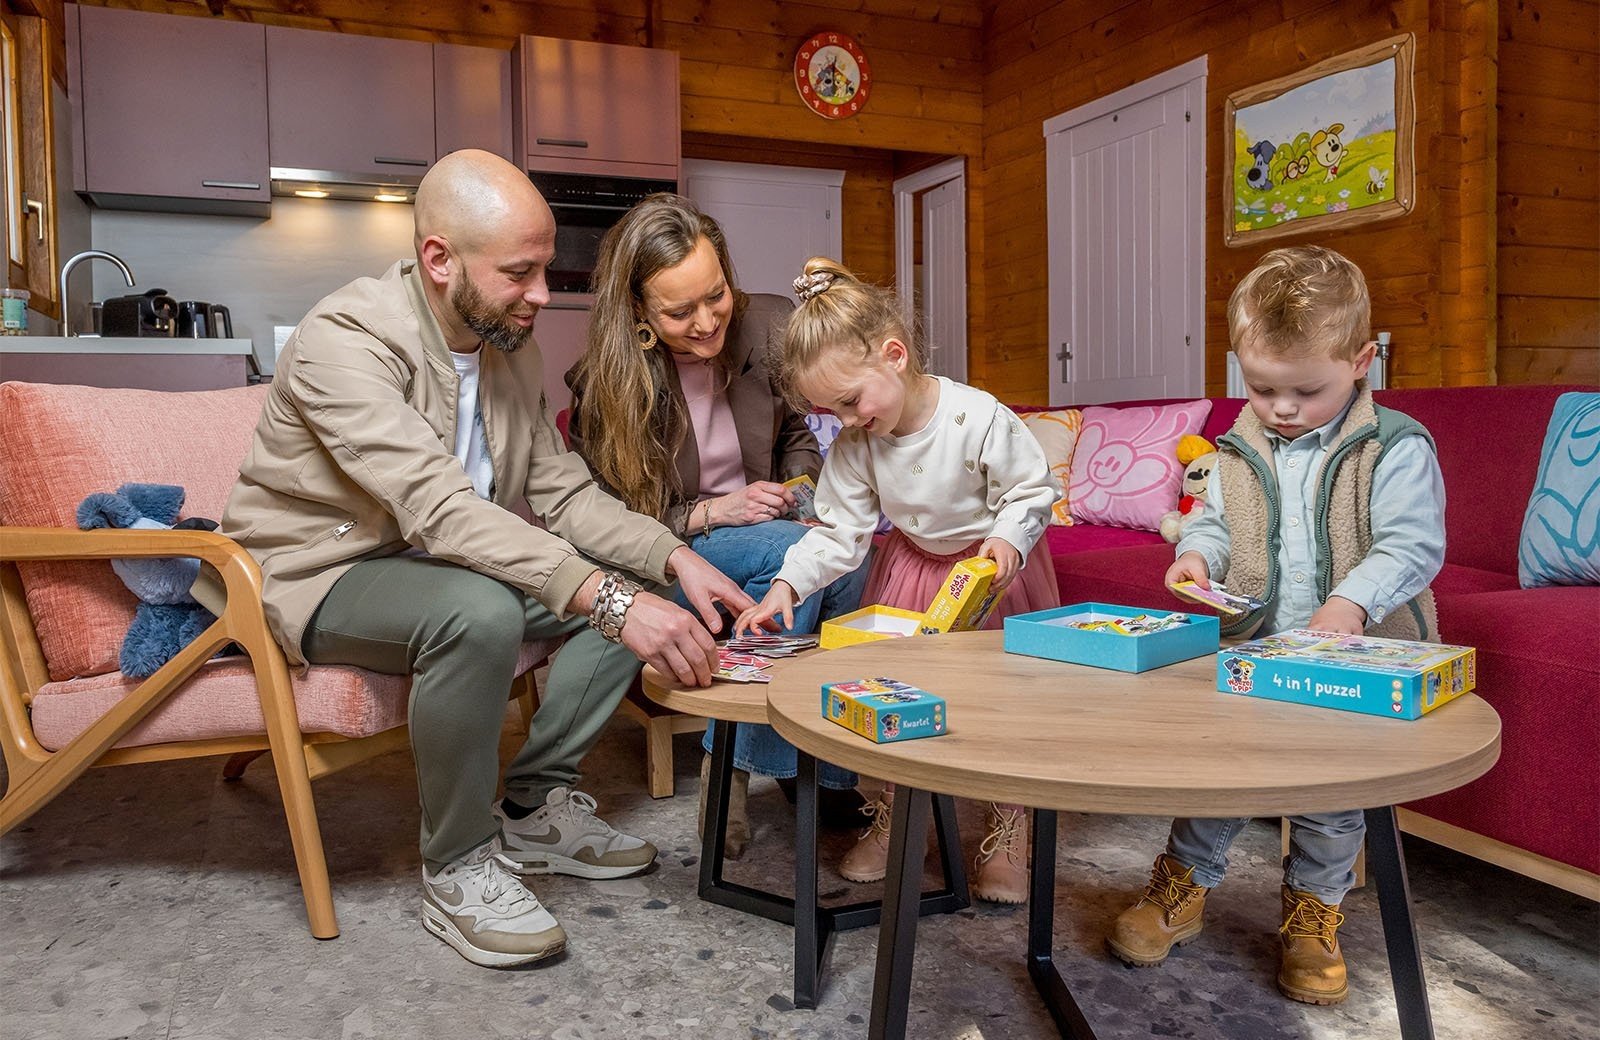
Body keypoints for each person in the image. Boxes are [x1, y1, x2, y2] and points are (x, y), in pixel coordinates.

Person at [214, 151, 755, 970]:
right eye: (521, 272)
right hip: (315, 576)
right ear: (439, 259)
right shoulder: (343, 340)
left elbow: (565, 494)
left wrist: (673, 557)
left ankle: (534, 806)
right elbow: (439, 510)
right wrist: (604, 600)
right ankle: (460, 865)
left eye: (545, 268)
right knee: (487, 610)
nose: (543, 294)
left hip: (437, 564)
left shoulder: (508, 349)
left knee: (639, 584)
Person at [1105, 245, 1446, 1006]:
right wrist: (1196, 555)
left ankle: (1312, 915)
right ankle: (1180, 888)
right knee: (1216, 771)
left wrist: (1350, 603)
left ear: (1361, 362)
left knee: (1329, 794)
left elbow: (1413, 545)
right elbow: (1217, 526)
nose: (1282, 408)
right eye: (1261, 389)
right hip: (1253, 649)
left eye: (1306, 390)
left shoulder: (1395, 445)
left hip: (1356, 655)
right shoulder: (1237, 446)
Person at [734, 257, 1061, 905]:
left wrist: (1005, 539)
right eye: (832, 411)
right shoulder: (858, 444)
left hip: (992, 572)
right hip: (911, 572)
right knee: (899, 698)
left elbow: (1032, 490)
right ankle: (896, 815)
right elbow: (836, 533)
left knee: (1003, 705)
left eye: (851, 401)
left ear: (893, 355)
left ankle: (1011, 824)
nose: (847, 420)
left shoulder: (979, 417)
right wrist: (786, 588)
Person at [566, 194, 870, 859]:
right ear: (639, 312)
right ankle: (737, 763)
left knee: (845, 552)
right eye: (679, 312)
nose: (707, 323)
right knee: (805, 553)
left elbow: (797, 433)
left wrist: (800, 488)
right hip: (668, 552)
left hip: (770, 524)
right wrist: (712, 512)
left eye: (717, 296)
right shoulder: (605, 382)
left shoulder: (768, 325)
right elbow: (605, 518)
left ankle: (799, 763)